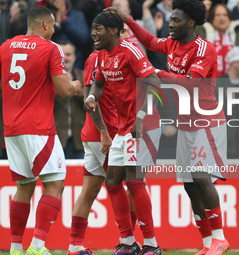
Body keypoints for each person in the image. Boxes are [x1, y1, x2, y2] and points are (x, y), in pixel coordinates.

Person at [106, 0, 230, 254]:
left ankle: (220, 237)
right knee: (188, 184)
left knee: (200, 176)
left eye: (175, 20)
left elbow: (190, 84)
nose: (170, 24)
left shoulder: (205, 49)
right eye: (171, 19)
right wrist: (127, 19)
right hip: (185, 123)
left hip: (207, 121)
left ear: (191, 23)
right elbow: (151, 42)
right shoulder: (172, 43)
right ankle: (207, 243)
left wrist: (157, 74)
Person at [0, 6, 82, 255]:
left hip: (12, 129)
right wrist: (78, 86)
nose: (55, 30)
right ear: (47, 25)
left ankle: (16, 247)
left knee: (24, 187)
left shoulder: (7, 45)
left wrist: (21, 91)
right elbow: (64, 90)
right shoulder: (50, 48)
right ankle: (38, 246)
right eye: (54, 25)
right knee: (56, 184)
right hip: (39, 128)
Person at [85, 11, 162, 255]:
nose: (93, 33)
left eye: (98, 29)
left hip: (143, 125)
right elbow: (98, 84)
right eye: (93, 28)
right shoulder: (103, 57)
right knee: (113, 181)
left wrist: (140, 118)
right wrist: (90, 97)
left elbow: (154, 83)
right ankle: (128, 241)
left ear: (114, 31)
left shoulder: (131, 50)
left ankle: (151, 244)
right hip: (123, 127)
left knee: (134, 180)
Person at [68, 25, 140, 255]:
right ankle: (127, 241)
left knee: (89, 190)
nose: (128, 35)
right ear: (115, 33)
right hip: (106, 136)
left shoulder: (124, 57)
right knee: (134, 186)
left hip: (102, 135)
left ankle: (75, 245)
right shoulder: (96, 59)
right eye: (125, 31)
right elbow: (90, 98)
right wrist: (104, 132)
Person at [196, 1, 239, 77]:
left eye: (225, 15)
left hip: (236, 81)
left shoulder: (238, 33)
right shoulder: (205, 33)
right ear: (212, 19)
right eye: (218, 15)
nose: (221, 18)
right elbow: (196, 29)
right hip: (210, 82)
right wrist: (204, 11)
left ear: (230, 18)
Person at [54, 40, 85, 159]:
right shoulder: (47, 79)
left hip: (80, 141)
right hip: (57, 141)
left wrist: (73, 88)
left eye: (68, 55)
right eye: (61, 55)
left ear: (74, 57)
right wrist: (60, 87)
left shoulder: (83, 76)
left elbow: (92, 102)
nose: (65, 58)